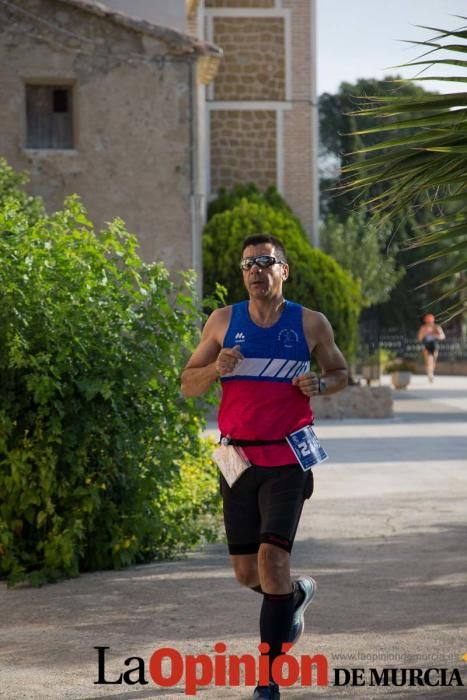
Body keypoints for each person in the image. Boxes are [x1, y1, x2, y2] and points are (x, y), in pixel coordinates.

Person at [181, 234, 348, 699]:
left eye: (266, 262)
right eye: (248, 264)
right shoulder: (222, 322)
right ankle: (293, 598)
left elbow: (341, 374)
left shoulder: (311, 324)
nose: (256, 270)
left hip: (288, 457)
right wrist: (216, 368)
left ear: (284, 271)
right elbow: (188, 384)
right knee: (247, 573)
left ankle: (268, 679)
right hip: (237, 458)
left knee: (273, 560)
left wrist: (321, 382)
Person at [417, 313, 446, 382]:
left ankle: (431, 372)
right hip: (426, 345)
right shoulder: (423, 328)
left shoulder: (436, 327)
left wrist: (436, 336)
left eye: (430, 320)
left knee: (433, 361)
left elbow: (443, 336)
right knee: (428, 360)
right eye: (428, 320)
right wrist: (425, 333)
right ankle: (430, 374)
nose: (429, 322)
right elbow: (420, 338)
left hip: (434, 345)